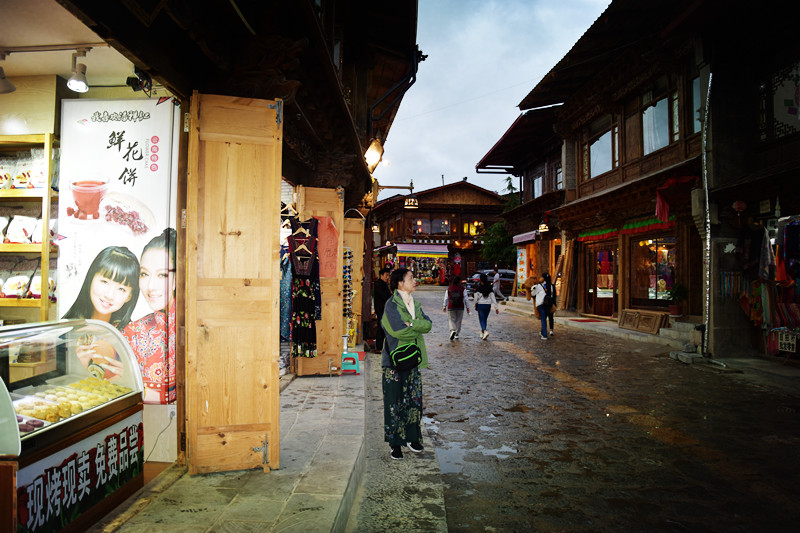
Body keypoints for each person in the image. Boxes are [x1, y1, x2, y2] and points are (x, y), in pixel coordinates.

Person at [63, 246, 140, 380]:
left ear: (129, 296)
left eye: (121, 289)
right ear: (91, 279)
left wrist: (128, 378)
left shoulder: (133, 337)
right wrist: (75, 368)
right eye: (104, 281)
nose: (109, 295)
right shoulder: (66, 329)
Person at [380, 268, 432, 460]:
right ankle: (395, 443)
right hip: (394, 361)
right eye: (411, 278)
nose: (414, 280)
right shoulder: (391, 305)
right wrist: (415, 327)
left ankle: (412, 438)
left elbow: (428, 325)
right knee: (394, 402)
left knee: (413, 400)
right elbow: (397, 331)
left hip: (413, 359)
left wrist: (411, 324)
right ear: (400, 283)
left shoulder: (415, 304)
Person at [123, 228, 178, 404]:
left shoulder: (195, 325)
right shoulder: (134, 331)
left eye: (162, 275)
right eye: (144, 274)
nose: (150, 286)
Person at [442, 275, 470, 340]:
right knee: (459, 320)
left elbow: (446, 298)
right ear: (460, 281)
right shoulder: (463, 289)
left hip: (451, 306)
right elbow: (466, 299)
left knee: (451, 319)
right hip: (460, 307)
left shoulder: (449, 288)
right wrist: (468, 307)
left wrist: (444, 305)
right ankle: (457, 334)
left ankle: (452, 330)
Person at [474, 272, 499, 340]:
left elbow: (475, 299)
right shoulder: (490, 288)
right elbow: (493, 298)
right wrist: (496, 308)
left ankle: (485, 331)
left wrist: (475, 305)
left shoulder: (478, 288)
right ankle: (482, 333)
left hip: (480, 305)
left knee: (481, 319)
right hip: (488, 305)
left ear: (480, 280)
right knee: (484, 319)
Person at [373, 267, 392, 354]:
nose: (387, 277)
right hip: (381, 309)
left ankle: (381, 347)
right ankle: (378, 347)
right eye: (386, 275)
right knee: (381, 328)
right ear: (381, 275)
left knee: (384, 328)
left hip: (384, 309)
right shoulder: (379, 284)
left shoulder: (384, 284)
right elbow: (385, 296)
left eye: (388, 275)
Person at [532, 273, 555, 340]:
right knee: (544, 318)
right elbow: (553, 295)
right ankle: (543, 332)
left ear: (543, 278)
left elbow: (533, 294)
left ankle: (544, 335)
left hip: (541, 304)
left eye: (541, 277)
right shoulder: (551, 286)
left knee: (543, 319)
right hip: (549, 304)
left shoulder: (539, 286)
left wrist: (533, 288)